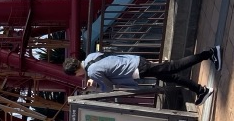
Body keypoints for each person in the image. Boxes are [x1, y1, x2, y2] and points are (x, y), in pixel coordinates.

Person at [62, 45, 221, 105]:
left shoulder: (92, 72)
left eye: (75, 75)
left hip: (137, 70)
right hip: (135, 61)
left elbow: (109, 88)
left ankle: (210, 53)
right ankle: (201, 90)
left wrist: (94, 86)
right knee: (170, 76)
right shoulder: (90, 57)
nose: (77, 77)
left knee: (174, 66)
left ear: (76, 71)